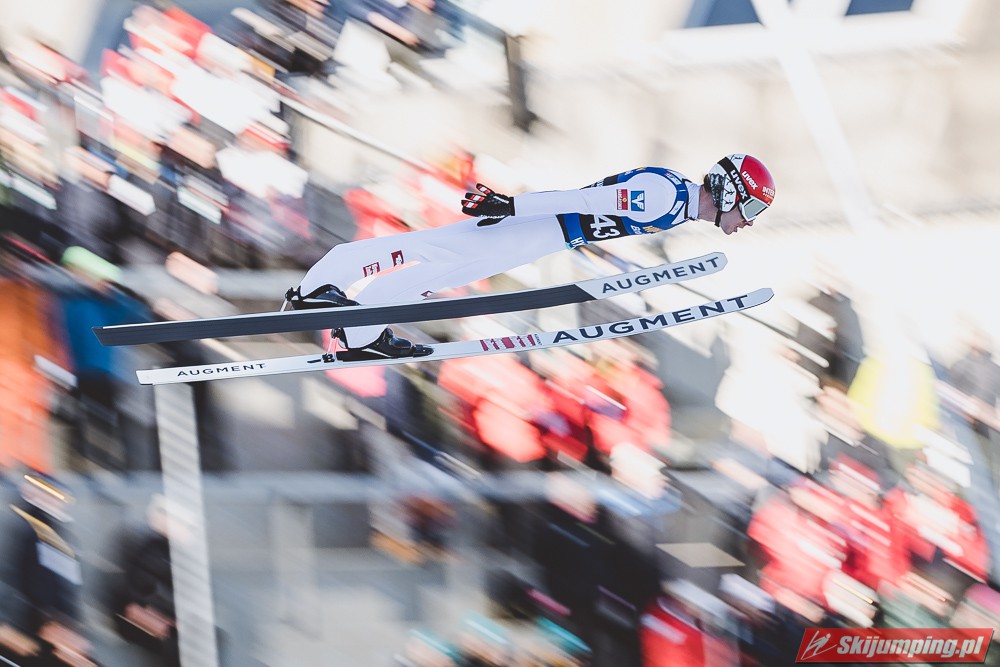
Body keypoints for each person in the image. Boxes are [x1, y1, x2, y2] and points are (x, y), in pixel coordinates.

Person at [285, 154, 775, 360]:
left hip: (547, 234)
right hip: (541, 226)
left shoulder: (676, 204)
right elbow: (583, 200)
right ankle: (321, 285)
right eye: (750, 208)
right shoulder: (665, 196)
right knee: (429, 252)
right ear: (729, 192)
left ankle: (362, 330)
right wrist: (510, 207)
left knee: (442, 270)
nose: (748, 221)